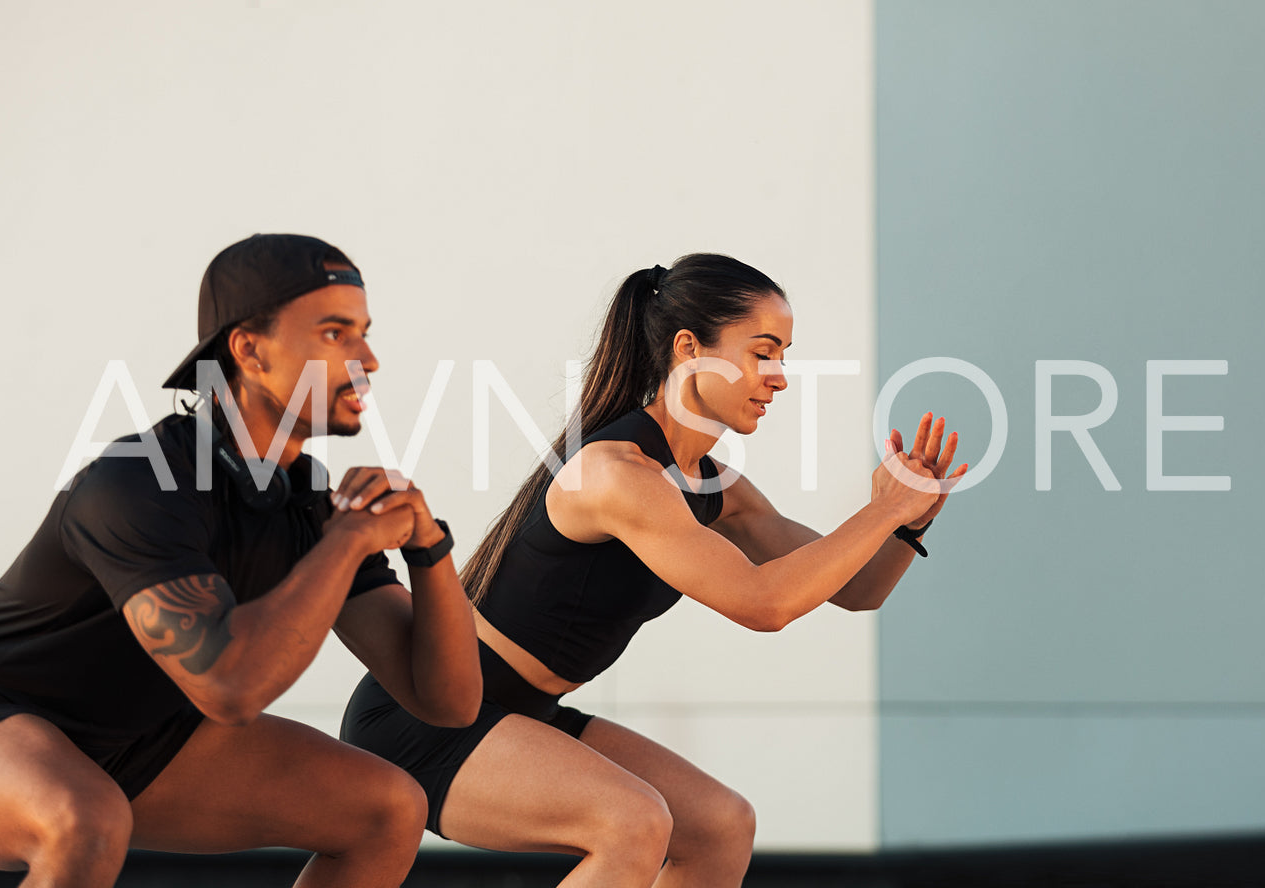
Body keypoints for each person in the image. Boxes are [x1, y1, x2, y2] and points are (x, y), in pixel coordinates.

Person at [342, 253, 967, 887]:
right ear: (690, 348)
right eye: (763, 352)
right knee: (631, 822)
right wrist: (883, 508)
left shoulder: (714, 485)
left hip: (528, 712)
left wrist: (908, 521)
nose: (779, 377)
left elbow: (857, 590)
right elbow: (764, 604)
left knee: (721, 826)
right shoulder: (616, 474)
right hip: (425, 717)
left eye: (784, 355)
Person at [0, 234, 481, 887]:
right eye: (335, 333)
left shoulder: (309, 507)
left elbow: (448, 702)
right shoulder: (138, 480)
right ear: (249, 350)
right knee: (84, 821)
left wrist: (427, 547)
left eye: (364, 333)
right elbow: (231, 688)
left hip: (133, 739)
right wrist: (348, 542)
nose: (368, 359)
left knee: (386, 809)